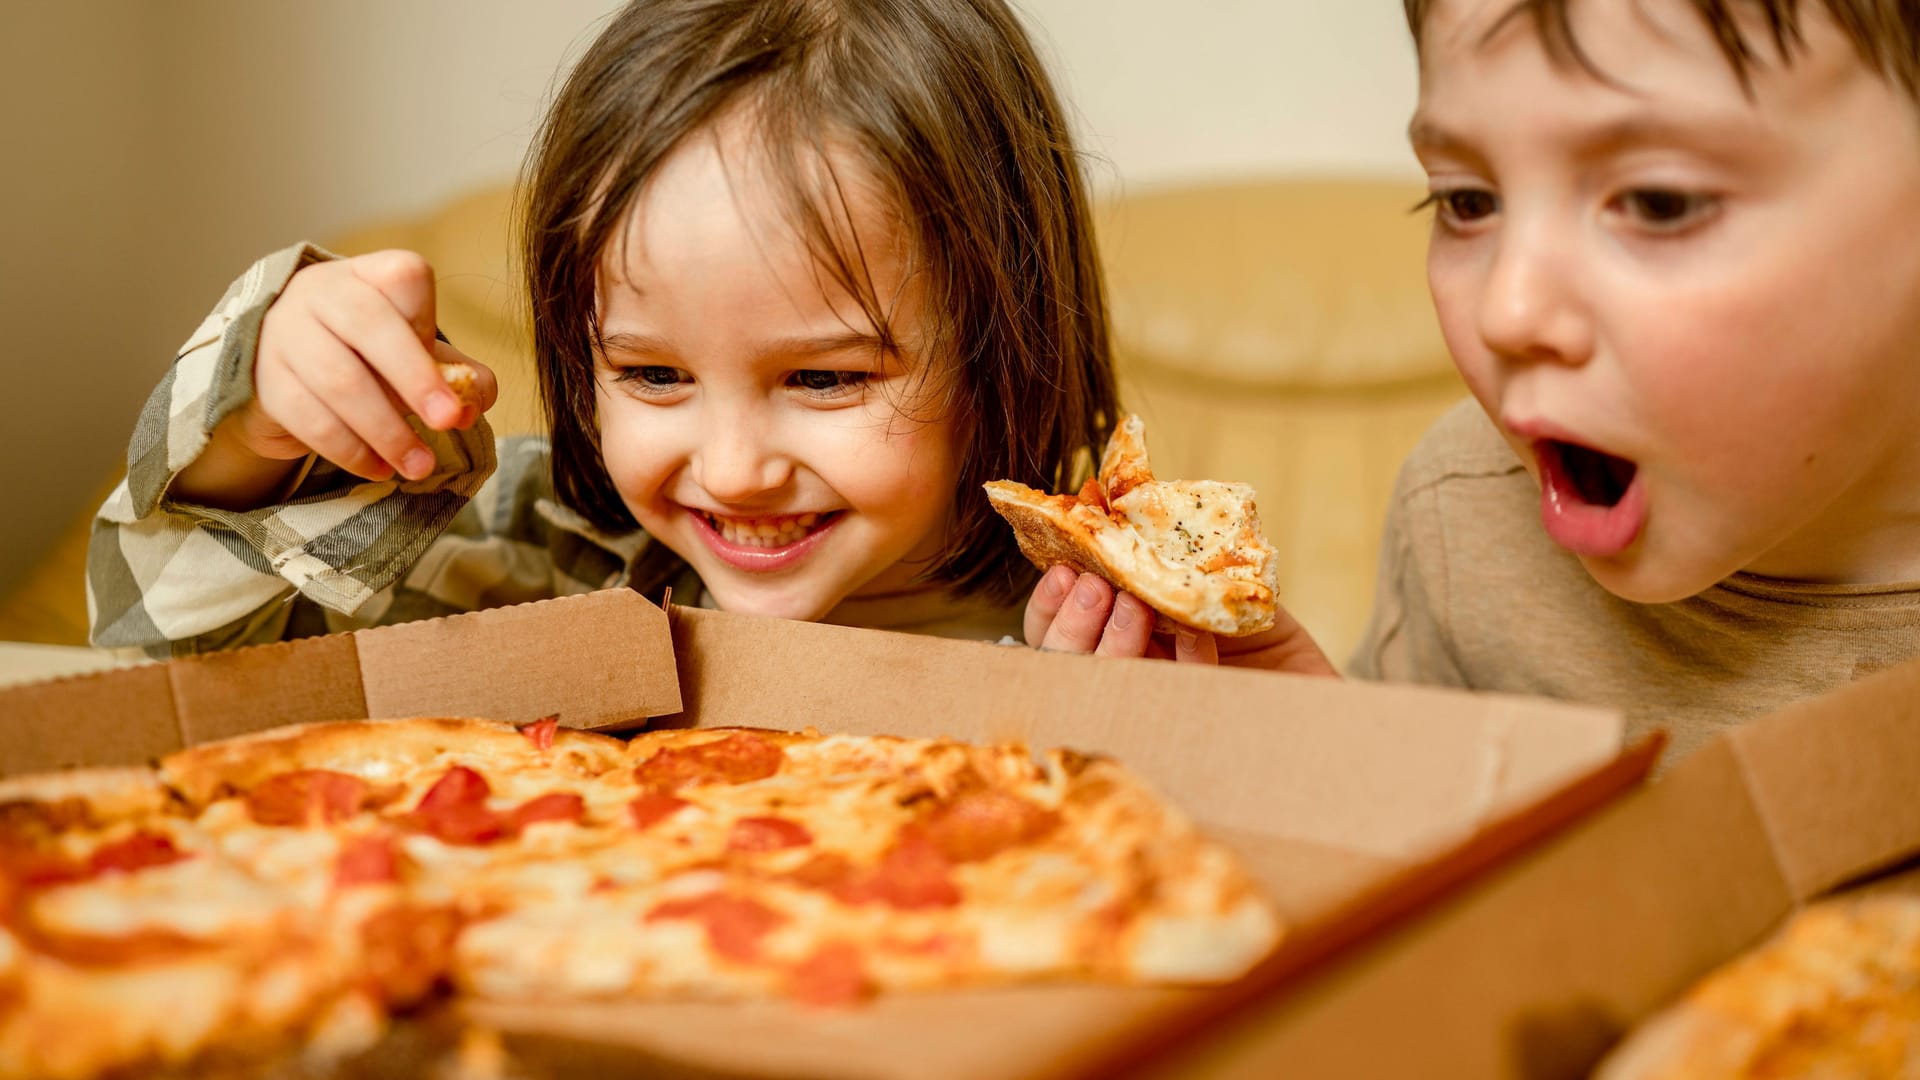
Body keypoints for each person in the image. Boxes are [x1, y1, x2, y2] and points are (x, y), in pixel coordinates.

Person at [1031, 0, 1920, 761]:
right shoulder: (1461, 515)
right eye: (1467, 200)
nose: (1508, 309)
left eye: (1658, 201)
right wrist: (1317, 749)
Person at [88, 0, 1116, 658]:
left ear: (1008, 342)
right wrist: (254, 431)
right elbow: (168, 659)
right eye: (655, 375)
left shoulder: (1111, 633)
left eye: (824, 380)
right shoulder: (544, 561)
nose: (733, 469)